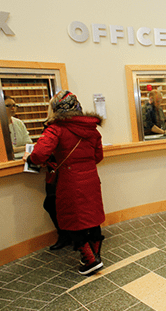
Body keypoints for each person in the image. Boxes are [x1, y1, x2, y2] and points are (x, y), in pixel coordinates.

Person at [23, 90, 106, 275]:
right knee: (92, 216)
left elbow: (39, 155)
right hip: (91, 178)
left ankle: (90, 260)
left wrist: (29, 159)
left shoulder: (56, 129)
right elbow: (98, 156)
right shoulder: (92, 129)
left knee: (71, 220)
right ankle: (96, 255)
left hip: (70, 180)